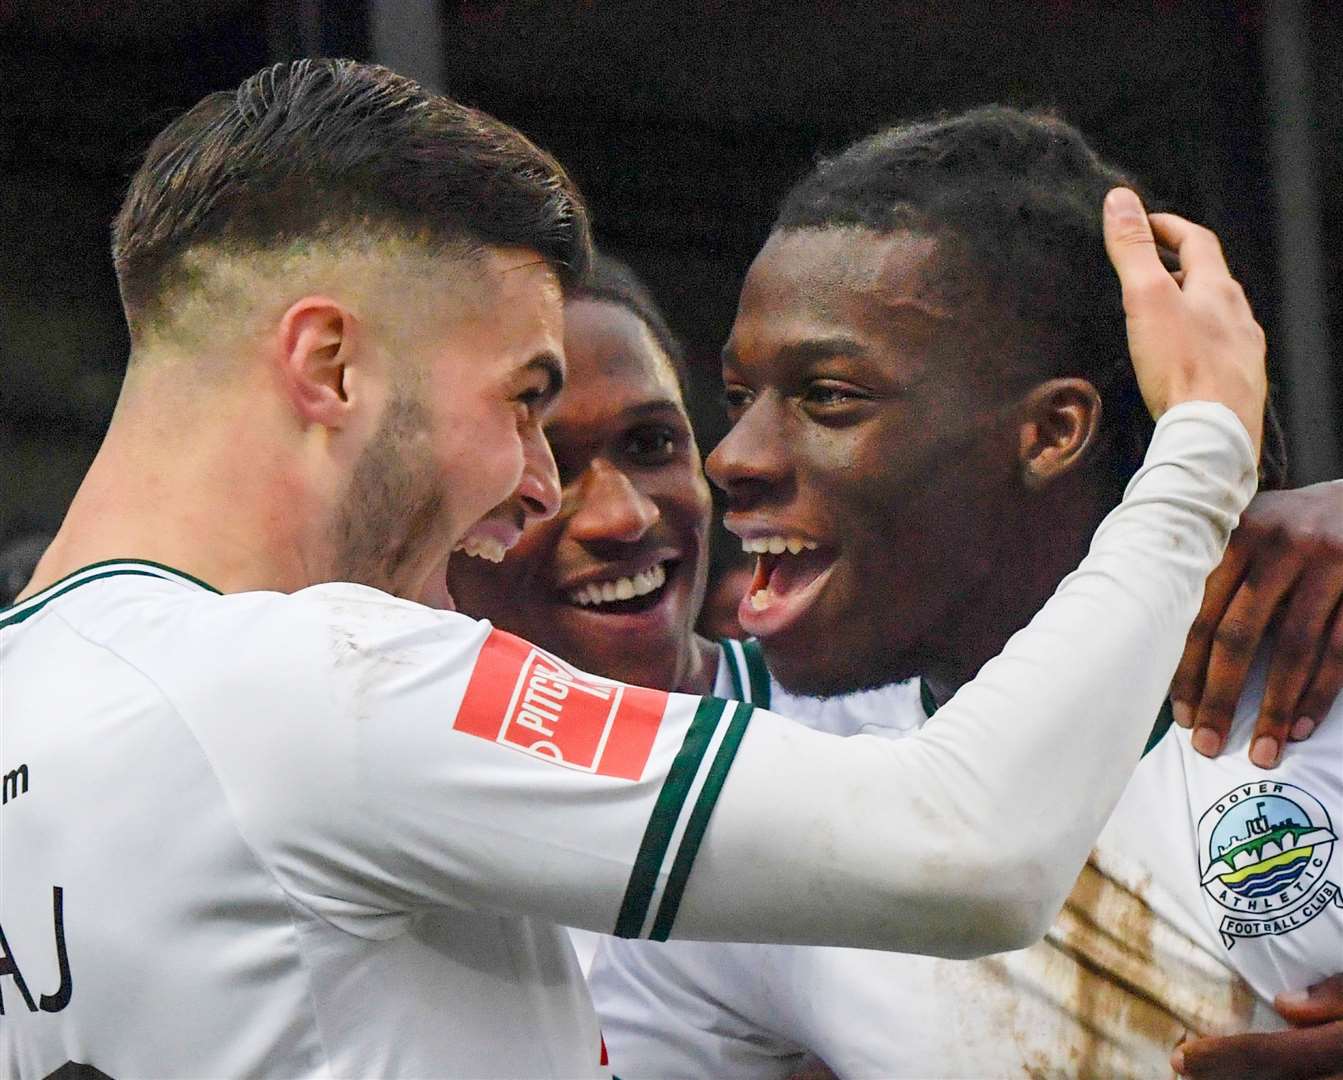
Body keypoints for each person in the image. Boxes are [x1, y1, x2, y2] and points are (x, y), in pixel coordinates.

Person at [0, 61, 1264, 1078]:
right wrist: (1202, 448)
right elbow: (965, 849)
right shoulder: (319, 682)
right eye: (522, 400)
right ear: (330, 367)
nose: (543, 486)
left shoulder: (35, 693)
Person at [575, 109, 1343, 1077]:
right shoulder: (761, 817)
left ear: (1050, 432)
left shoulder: (1316, 659)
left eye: (826, 397)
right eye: (737, 399)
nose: (733, 457)